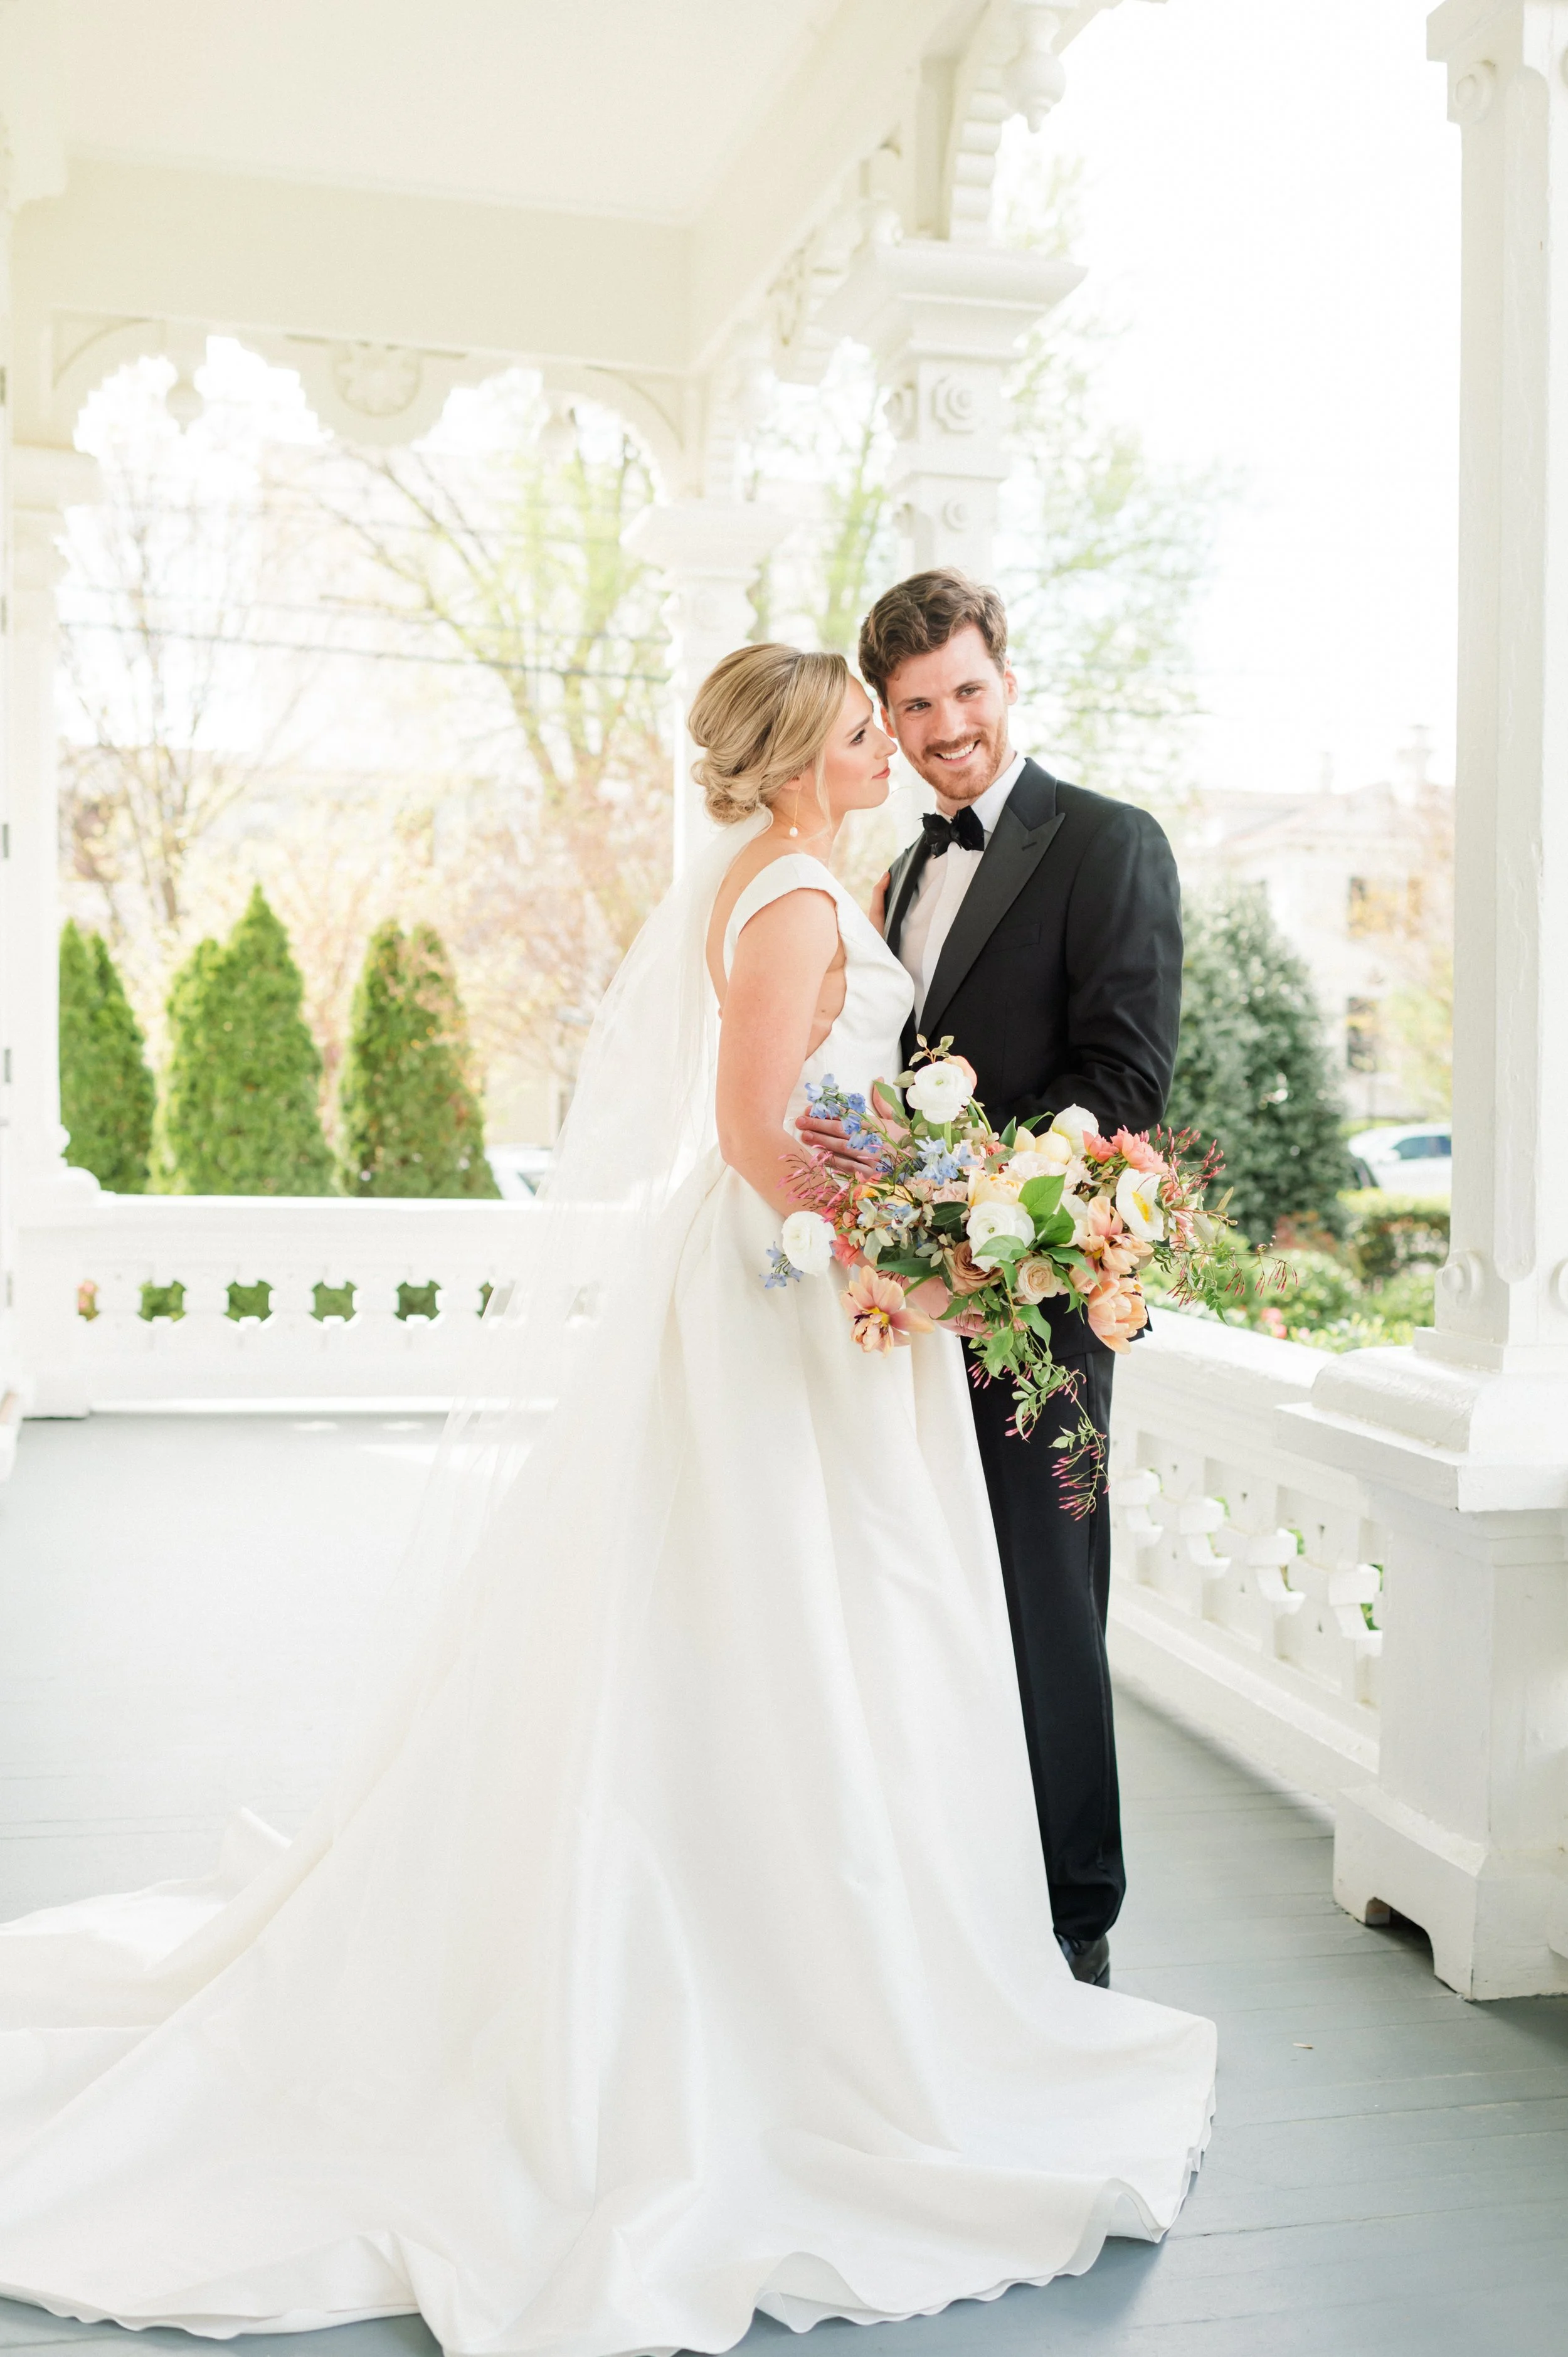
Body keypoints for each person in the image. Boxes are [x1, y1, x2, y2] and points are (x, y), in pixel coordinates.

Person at [0, 645, 1211, 2357]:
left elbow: (843, 1110)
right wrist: (901, 1264)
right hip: (786, 1288)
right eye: (867, 724)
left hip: (822, 1289)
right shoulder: (792, 889)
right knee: (765, 1608)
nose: (894, 743)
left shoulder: (804, 870)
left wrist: (922, 1234)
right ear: (807, 755)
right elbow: (751, 1131)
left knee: (821, 1624)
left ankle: (851, 1939)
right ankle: (750, 1974)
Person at [799, 572, 1183, 1993]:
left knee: (1043, 1600)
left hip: (1030, 1291)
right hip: (904, 1306)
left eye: (964, 690)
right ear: (885, 721)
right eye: (913, 706)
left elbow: (1121, 1071)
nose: (944, 725)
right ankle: (952, 1888)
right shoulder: (895, 873)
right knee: (926, 1590)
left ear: (1003, 680)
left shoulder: (1108, 842)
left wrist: (991, 1209)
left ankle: (1075, 1920)